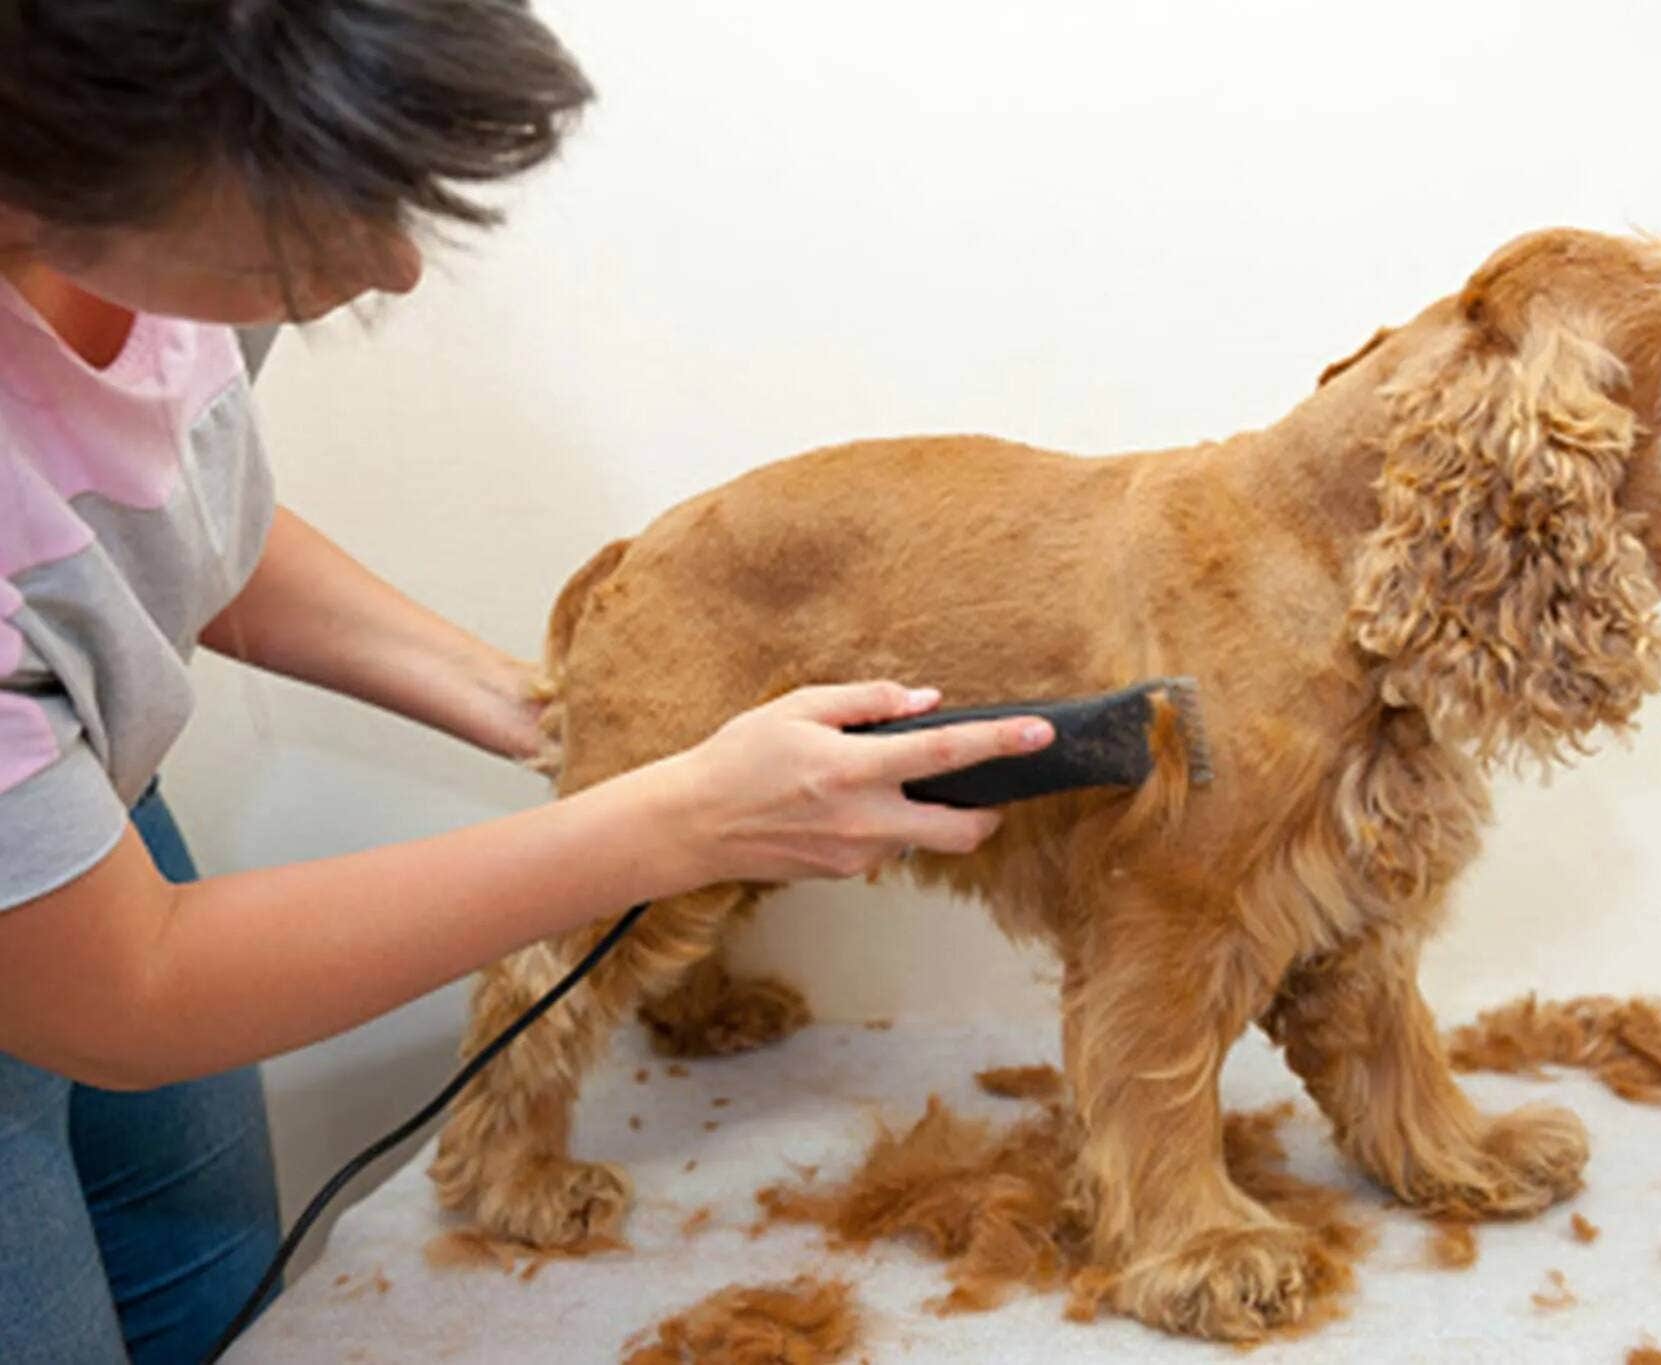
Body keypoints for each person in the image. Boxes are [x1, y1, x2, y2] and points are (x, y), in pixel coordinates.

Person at [0, 3, 1054, 1360]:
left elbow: (152, 514)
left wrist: (530, 702)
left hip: (76, 812)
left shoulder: (133, 238)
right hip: (79, 931)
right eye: (330, 210)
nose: (391, 265)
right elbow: (127, 993)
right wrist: (675, 822)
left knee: (207, 1280)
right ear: (68, 157)